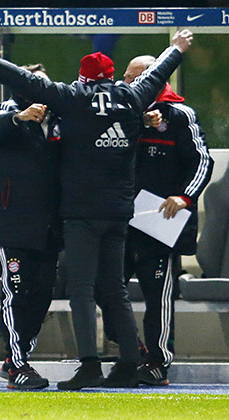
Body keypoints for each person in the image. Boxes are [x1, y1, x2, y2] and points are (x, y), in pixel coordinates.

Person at [0, 29, 194, 390]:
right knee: (114, 289)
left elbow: (21, 79)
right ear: (113, 76)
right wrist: (176, 48)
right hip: (117, 213)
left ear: (82, 79)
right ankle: (129, 363)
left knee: (82, 289)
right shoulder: (130, 98)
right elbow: (156, 75)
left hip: (80, 214)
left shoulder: (72, 100)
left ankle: (90, 365)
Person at [105, 55, 213, 386]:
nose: (126, 84)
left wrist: (184, 197)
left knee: (158, 295)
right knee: (104, 288)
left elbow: (202, 161)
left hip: (158, 220)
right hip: (118, 219)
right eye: (124, 77)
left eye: (133, 78)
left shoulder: (180, 116)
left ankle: (157, 359)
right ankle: (130, 349)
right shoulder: (119, 114)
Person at [0, 63, 63, 390]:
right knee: (15, 292)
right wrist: (20, 117)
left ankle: (16, 356)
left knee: (43, 292)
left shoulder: (60, 119)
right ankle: (17, 364)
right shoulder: (9, 110)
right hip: (12, 222)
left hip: (48, 226)